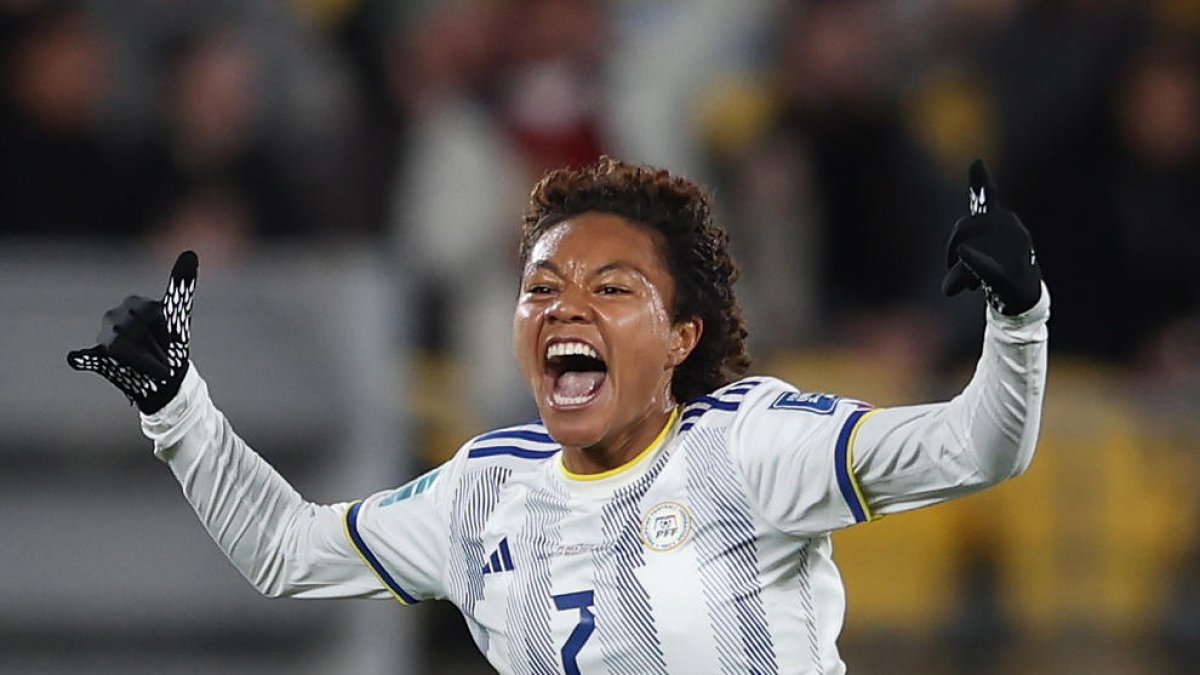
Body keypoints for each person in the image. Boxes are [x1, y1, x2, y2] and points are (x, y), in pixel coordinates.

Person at [69, 156, 1048, 674]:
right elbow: (287, 551)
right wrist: (177, 406)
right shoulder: (482, 489)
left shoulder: (752, 445)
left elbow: (979, 448)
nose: (564, 310)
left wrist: (1018, 316)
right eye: (541, 288)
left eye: (611, 288)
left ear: (682, 336)